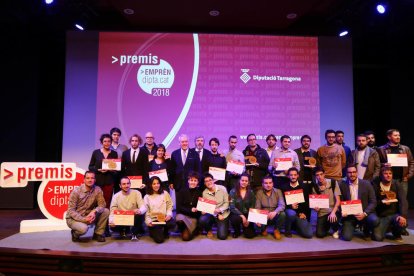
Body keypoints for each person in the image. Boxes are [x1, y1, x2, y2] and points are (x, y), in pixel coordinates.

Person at [66, 171, 109, 242]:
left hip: (88, 215)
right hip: (74, 219)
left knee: (105, 211)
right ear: (84, 180)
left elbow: (102, 204)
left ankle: (97, 234)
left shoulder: (97, 190)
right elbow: (71, 210)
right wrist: (84, 219)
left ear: (95, 180)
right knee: (83, 229)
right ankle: (75, 234)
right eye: (88, 178)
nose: (90, 180)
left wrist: (94, 211)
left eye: (92, 178)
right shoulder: (76, 191)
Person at [339, 165, 379, 241]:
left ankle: (366, 228)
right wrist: (343, 211)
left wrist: (364, 213)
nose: (352, 174)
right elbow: (340, 201)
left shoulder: (366, 184)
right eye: (349, 172)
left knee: (374, 220)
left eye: (354, 172)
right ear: (346, 174)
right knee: (346, 237)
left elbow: (373, 201)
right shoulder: (343, 185)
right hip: (350, 215)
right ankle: (350, 227)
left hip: (365, 213)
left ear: (357, 173)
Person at [372, 167, 408, 242]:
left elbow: (403, 201)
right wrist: (382, 202)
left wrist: (402, 215)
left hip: (394, 215)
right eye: (385, 173)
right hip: (382, 216)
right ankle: (387, 228)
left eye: (390, 173)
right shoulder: (375, 185)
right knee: (377, 237)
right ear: (381, 176)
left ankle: (396, 233)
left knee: (402, 222)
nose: (388, 175)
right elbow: (373, 202)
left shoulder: (397, 184)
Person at [377, 129, 414, 199]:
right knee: (390, 200)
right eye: (395, 135)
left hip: (402, 180)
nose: (398, 137)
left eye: (399, 135)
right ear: (389, 137)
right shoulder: (381, 149)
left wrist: (409, 175)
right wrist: (384, 164)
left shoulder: (405, 148)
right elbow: (377, 164)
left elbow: (411, 162)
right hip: (388, 180)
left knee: (403, 200)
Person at [280, 167, 313, 239]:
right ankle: (287, 230)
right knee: (291, 213)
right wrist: (290, 206)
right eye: (291, 175)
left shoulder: (304, 186)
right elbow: (282, 203)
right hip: (289, 211)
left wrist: (305, 214)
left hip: (301, 213)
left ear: (298, 175)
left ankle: (297, 226)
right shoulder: (284, 187)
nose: (293, 177)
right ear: (288, 176)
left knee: (309, 234)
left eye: (295, 175)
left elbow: (307, 203)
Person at [88, 133, 118, 208]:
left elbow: (116, 169)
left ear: (111, 142)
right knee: (96, 201)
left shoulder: (114, 153)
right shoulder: (96, 152)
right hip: (97, 181)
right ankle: (96, 217)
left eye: (109, 141)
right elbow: (90, 167)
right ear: (101, 142)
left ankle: (106, 218)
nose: (107, 143)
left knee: (107, 201)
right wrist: (99, 170)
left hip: (109, 181)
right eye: (105, 141)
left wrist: (110, 170)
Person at [144, 176, 175, 243]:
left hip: (164, 218)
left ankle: (164, 230)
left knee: (172, 224)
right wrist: (148, 221)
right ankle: (154, 231)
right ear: (150, 185)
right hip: (154, 220)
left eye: (158, 183)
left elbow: (170, 205)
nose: (156, 185)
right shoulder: (147, 197)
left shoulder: (165, 193)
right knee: (159, 240)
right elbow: (146, 211)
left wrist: (169, 214)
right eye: (154, 184)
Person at [312, 167, 341, 239]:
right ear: (315, 176)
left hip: (333, 210)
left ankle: (336, 229)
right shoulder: (314, 187)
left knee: (333, 218)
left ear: (324, 174)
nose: (320, 177)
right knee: (319, 234)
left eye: (321, 174)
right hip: (322, 212)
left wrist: (333, 212)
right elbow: (315, 203)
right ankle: (328, 225)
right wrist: (316, 208)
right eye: (317, 175)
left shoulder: (333, 182)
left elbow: (338, 201)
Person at [198, 173, 230, 240]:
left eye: (210, 180)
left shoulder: (222, 188)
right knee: (202, 219)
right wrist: (203, 210)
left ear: (213, 180)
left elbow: (227, 203)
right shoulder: (204, 193)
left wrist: (220, 210)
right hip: (212, 214)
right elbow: (206, 207)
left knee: (222, 236)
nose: (209, 182)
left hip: (223, 214)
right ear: (204, 183)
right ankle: (208, 229)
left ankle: (226, 227)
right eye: (206, 181)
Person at [255, 175, 286, 240]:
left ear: (273, 184)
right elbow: (257, 207)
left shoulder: (278, 191)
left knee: (282, 214)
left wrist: (275, 212)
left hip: (274, 214)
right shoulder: (259, 193)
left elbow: (282, 205)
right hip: (264, 215)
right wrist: (260, 216)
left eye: (270, 183)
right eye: (266, 183)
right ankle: (263, 229)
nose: (268, 185)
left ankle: (276, 230)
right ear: (262, 184)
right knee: (256, 224)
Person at [294, 134, 318, 217]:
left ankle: (307, 220)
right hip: (300, 180)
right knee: (300, 201)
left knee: (309, 202)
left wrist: (314, 167)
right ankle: (299, 220)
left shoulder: (314, 153)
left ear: (310, 142)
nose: (306, 142)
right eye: (304, 141)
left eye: (308, 141)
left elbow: (317, 166)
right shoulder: (296, 152)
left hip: (311, 181)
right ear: (301, 142)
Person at [175, 172, 203, 241]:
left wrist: (197, 209)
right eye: (191, 180)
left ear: (198, 182)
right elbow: (179, 207)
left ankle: (189, 230)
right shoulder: (182, 191)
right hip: (183, 216)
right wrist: (190, 209)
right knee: (179, 218)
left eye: (195, 181)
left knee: (186, 238)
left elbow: (200, 209)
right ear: (188, 181)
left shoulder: (200, 193)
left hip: (193, 218)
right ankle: (187, 229)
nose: (193, 182)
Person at [229, 173, 256, 238]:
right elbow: (231, 206)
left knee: (250, 235)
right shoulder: (232, 191)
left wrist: (249, 219)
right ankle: (237, 231)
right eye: (242, 180)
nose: (244, 182)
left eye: (246, 181)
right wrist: (242, 216)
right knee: (235, 219)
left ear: (248, 182)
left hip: (247, 214)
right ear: (239, 181)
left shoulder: (251, 192)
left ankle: (245, 229)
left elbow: (253, 206)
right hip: (237, 214)